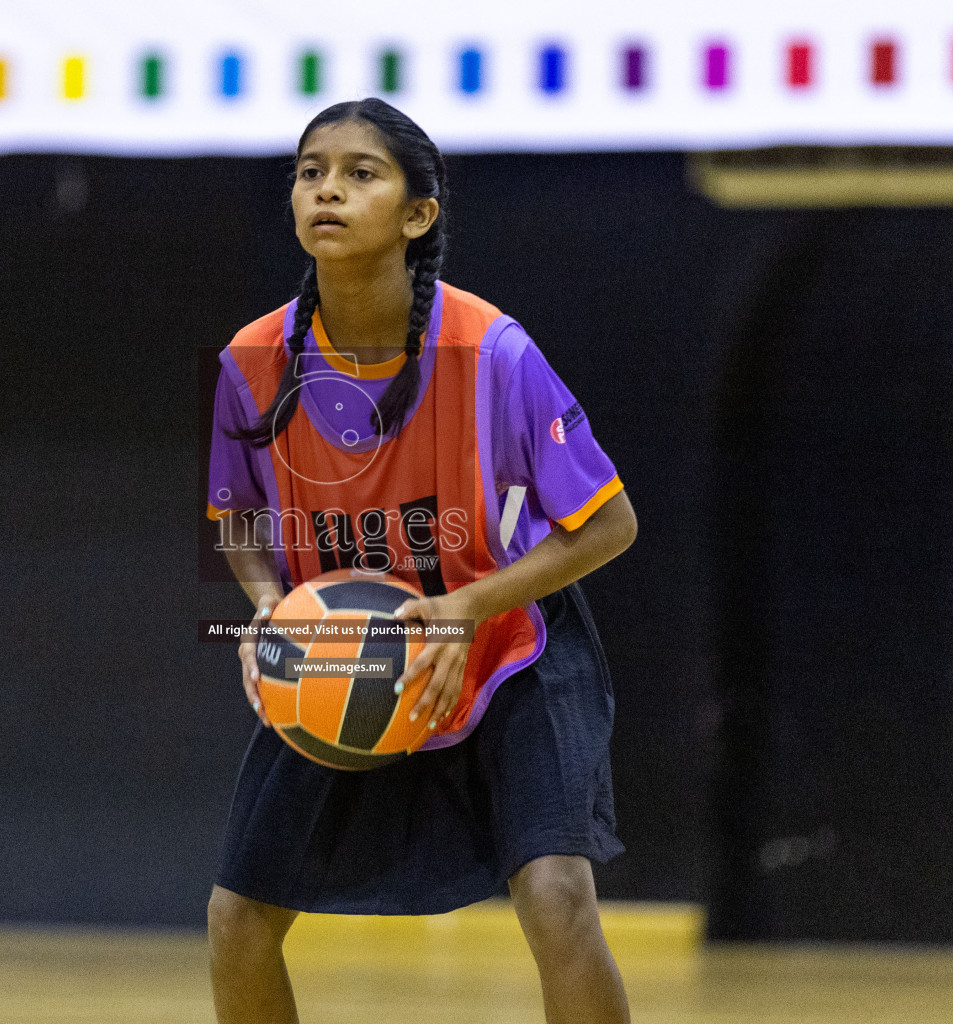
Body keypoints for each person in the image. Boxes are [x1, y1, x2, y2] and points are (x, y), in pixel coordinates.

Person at [202, 97, 638, 1024]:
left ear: (417, 214)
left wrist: (470, 606)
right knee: (237, 920)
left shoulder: (491, 350)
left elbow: (608, 527)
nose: (328, 189)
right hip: (351, 649)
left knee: (558, 900)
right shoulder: (252, 360)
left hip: (509, 647)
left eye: (361, 174)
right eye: (311, 171)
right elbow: (234, 517)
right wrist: (270, 610)